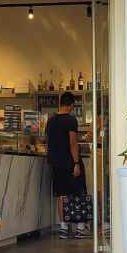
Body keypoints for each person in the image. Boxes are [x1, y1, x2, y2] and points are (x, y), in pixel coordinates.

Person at [45, 91, 91, 239]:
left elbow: (48, 142)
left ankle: (63, 228)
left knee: (61, 194)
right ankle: (80, 228)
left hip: (56, 163)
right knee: (79, 192)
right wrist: (76, 163)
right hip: (70, 162)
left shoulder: (50, 121)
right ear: (71, 105)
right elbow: (73, 143)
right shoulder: (71, 120)